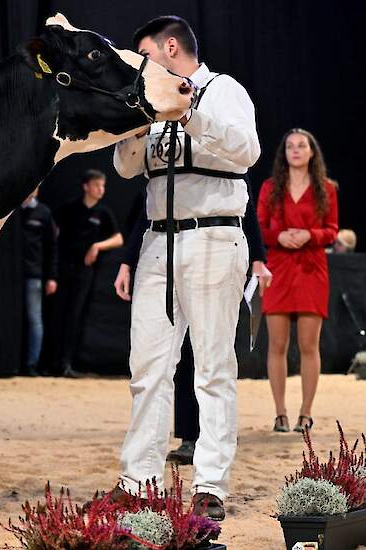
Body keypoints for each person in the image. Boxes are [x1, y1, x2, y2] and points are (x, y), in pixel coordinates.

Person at [110, 15, 266, 521]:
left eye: (145, 57)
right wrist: (134, 122)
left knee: (213, 367)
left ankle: (211, 484)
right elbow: (127, 168)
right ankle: (139, 481)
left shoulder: (223, 91)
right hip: (158, 241)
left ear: (170, 47)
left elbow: (247, 150)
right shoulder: (149, 103)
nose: (140, 67)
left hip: (214, 235)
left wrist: (190, 109)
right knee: (148, 366)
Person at [116, 185, 270, 466]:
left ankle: (215, 439)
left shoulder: (221, 152)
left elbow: (244, 203)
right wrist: (128, 260)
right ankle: (188, 436)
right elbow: (144, 212)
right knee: (181, 360)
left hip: (215, 253)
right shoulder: (162, 157)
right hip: (163, 255)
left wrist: (258, 257)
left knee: (212, 360)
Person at [257, 129, 339, 434]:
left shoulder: (326, 189)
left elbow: (332, 229)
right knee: (277, 344)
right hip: (278, 268)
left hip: (311, 268)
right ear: (284, 153)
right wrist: (277, 235)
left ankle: (305, 413)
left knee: (308, 345)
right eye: (290, 146)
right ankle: (280, 413)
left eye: (301, 145)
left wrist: (310, 235)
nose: (295, 150)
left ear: (311, 152)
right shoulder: (270, 187)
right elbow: (259, 228)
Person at [52, 169, 123, 377]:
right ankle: (51, 363)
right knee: (57, 314)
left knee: (74, 316)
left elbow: (119, 239)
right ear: (86, 186)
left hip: (85, 272)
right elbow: (53, 229)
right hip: (63, 268)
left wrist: (97, 246)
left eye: (103, 186)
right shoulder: (69, 209)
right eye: (97, 185)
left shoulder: (103, 213)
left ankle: (66, 363)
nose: (101, 189)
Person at [21, 188, 58, 376]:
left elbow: (52, 247)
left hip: (34, 275)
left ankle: (32, 363)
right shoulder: (11, 211)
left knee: (35, 319)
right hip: (12, 277)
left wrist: (51, 276)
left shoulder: (43, 212)